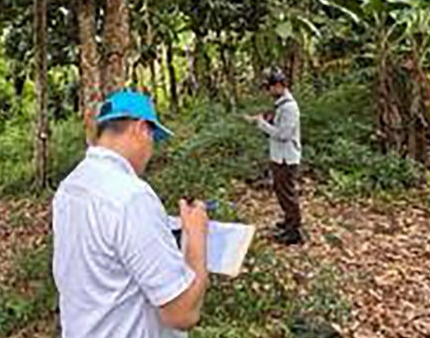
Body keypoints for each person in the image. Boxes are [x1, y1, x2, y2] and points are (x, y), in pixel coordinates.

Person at [53, 90, 210, 337]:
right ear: (141, 129)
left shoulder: (71, 186)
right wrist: (197, 239)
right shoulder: (132, 197)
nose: (151, 149)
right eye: (152, 138)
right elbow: (181, 313)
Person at [243, 69, 303, 245]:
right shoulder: (281, 105)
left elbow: (283, 134)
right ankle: (288, 221)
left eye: (269, 87)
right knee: (281, 190)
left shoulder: (289, 107)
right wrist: (258, 120)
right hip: (279, 157)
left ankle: (294, 231)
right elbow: (275, 125)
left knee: (287, 193)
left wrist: (261, 124)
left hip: (286, 158)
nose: (268, 91)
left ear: (278, 86)